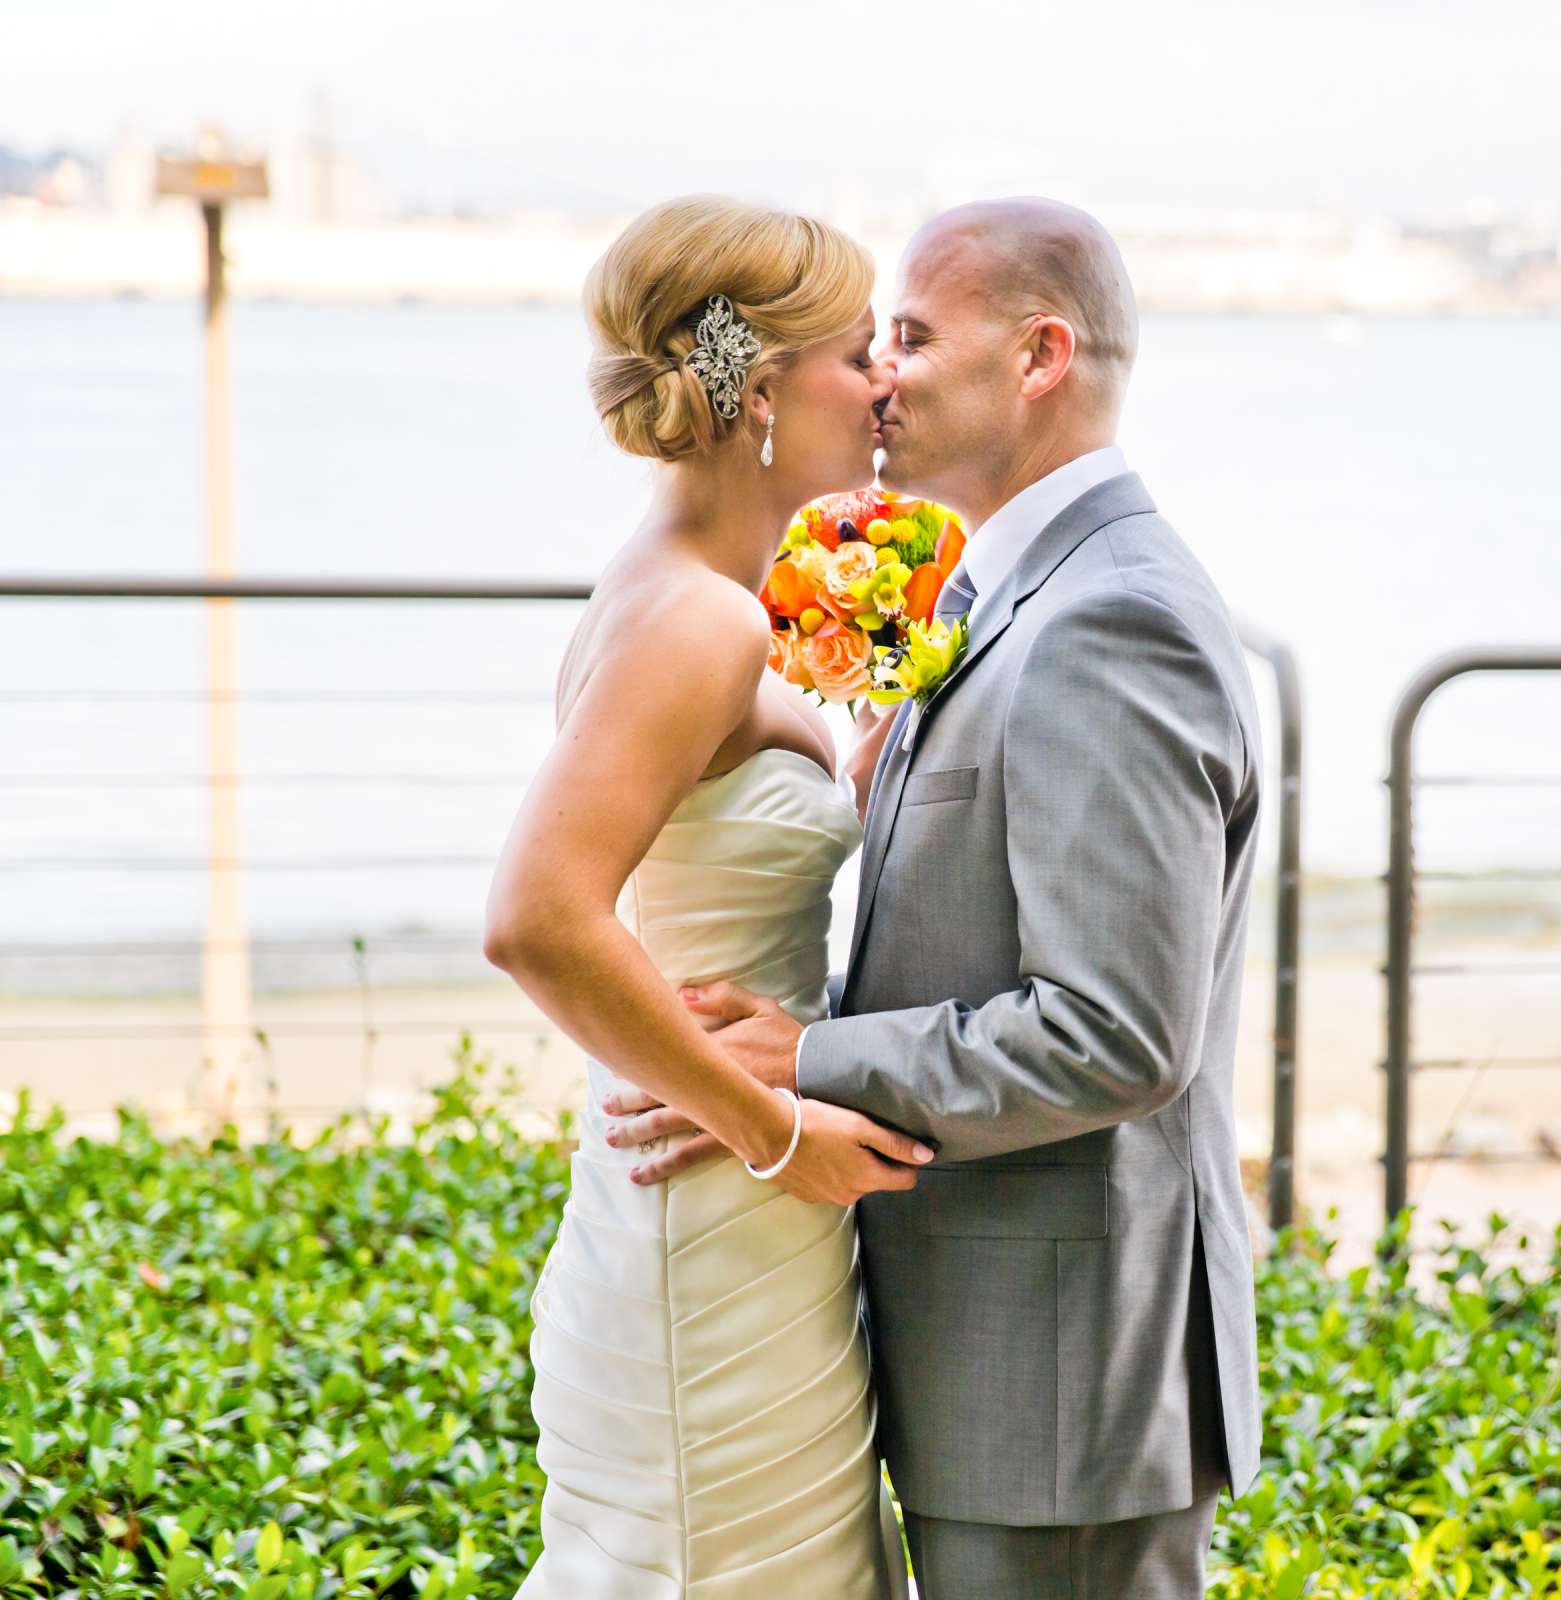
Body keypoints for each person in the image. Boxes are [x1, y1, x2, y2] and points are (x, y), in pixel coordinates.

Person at [608, 198, 1266, 1597]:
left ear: (1039, 356)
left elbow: (1119, 1033)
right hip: (984, 1361)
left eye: (911, 335)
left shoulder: (1112, 620)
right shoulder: (1010, 597)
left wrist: (806, 1061)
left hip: (1063, 1389)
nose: (884, 373)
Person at [483, 195, 925, 1598]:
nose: (890, 384)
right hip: (718, 1199)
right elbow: (539, 918)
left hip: (735, 1206)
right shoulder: (697, 616)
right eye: (863, 354)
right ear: (764, 389)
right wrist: (774, 1130)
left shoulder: (735, 591)